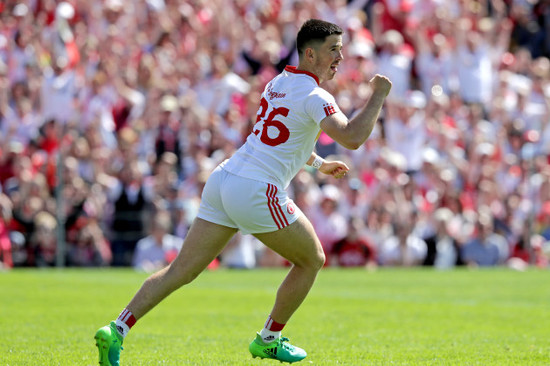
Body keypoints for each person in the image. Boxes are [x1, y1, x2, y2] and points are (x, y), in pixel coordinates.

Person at [94, 19, 391, 365]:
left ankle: (117, 328)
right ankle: (269, 338)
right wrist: (379, 96)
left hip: (224, 180)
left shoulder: (277, 83)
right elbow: (353, 137)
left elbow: (279, 138)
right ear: (310, 54)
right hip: (256, 189)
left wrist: (317, 165)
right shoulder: (316, 95)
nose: (341, 57)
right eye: (334, 50)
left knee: (180, 271)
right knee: (312, 259)